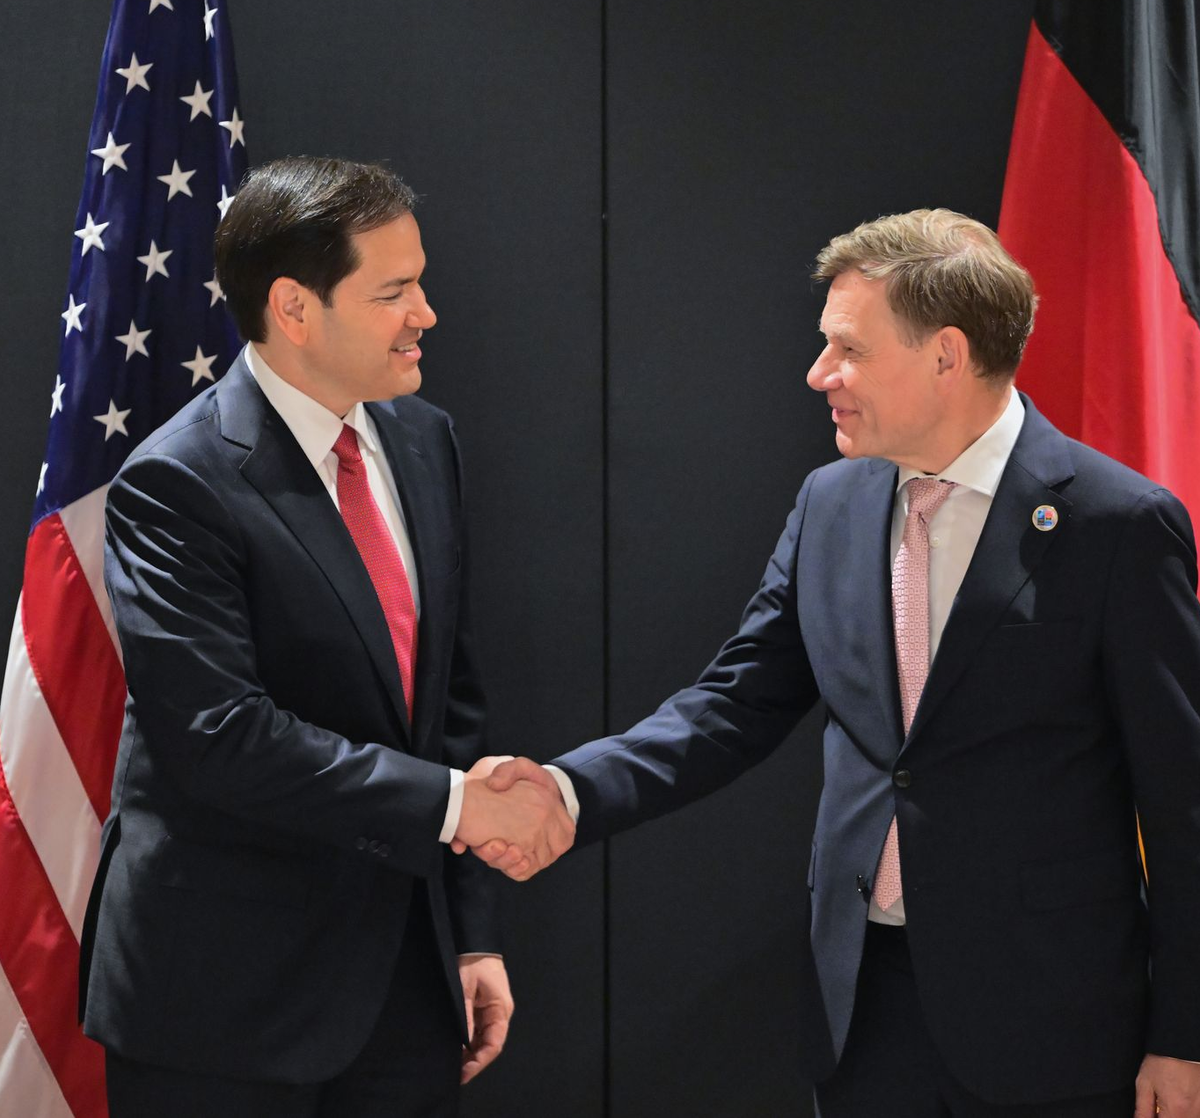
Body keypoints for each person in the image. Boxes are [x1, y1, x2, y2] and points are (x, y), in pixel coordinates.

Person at [470, 210, 1200, 1116]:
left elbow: (1182, 803)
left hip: (1050, 1025)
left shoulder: (1116, 526)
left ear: (946, 354)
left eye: (847, 350)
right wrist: (568, 792)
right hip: (862, 1013)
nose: (821, 375)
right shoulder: (831, 502)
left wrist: (1185, 1034)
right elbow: (733, 704)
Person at [79, 156, 574, 1118]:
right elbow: (220, 735)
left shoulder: (426, 440)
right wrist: (456, 808)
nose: (425, 311)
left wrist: (470, 932)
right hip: (224, 1007)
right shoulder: (176, 482)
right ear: (295, 308)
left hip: (403, 990)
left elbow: (450, 704)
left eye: (419, 281)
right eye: (394, 291)